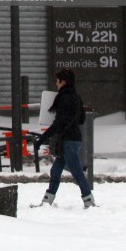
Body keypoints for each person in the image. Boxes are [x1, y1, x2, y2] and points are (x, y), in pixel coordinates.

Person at [34, 68, 96, 208]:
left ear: (64, 82)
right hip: (72, 139)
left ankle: (89, 201)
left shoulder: (64, 98)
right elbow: (81, 120)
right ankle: (47, 202)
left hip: (68, 141)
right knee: (55, 171)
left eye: (58, 81)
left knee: (76, 172)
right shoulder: (76, 97)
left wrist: (42, 139)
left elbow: (59, 123)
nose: (56, 84)